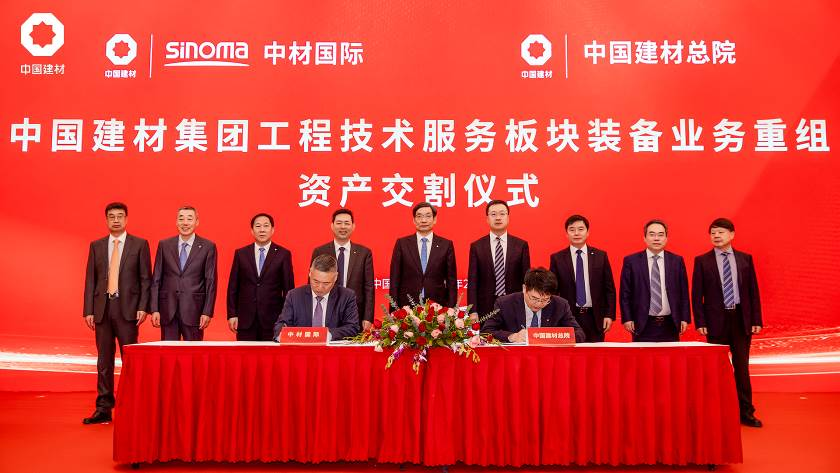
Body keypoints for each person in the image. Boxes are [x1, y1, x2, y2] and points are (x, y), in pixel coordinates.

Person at [82, 202, 151, 424]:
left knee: (130, 360)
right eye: (111, 216)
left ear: (126, 219)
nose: (116, 220)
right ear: (106, 220)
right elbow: (90, 279)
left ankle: (132, 405)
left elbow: (145, 279)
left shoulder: (139, 245)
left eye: (120, 216)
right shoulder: (97, 246)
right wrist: (88, 310)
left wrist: (143, 307)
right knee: (104, 361)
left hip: (128, 309)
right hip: (102, 309)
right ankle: (103, 408)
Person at [692, 218, 764, 427]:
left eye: (721, 232)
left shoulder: (745, 259)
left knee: (741, 368)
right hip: (715, 321)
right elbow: (697, 295)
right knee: (716, 370)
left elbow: (753, 291)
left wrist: (756, 319)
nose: (716, 236)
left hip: (741, 319)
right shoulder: (702, 261)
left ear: (732, 234)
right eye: (713, 232)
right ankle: (717, 413)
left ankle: (746, 412)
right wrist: (700, 321)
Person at [150, 206, 217, 340]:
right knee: (168, 351)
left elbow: (211, 281)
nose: (185, 223)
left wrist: (207, 311)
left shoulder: (208, 247)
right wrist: (154, 309)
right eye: (181, 219)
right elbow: (156, 278)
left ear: (197, 222)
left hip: (194, 310)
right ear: (176, 222)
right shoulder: (164, 245)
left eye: (189, 219)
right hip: (167, 309)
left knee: (193, 351)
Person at [619, 219, 690, 342]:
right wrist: (627, 318)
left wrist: (684, 317)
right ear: (644, 238)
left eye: (660, 235)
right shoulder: (631, 261)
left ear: (666, 238)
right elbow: (625, 293)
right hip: (642, 323)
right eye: (652, 234)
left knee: (671, 355)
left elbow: (684, 292)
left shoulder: (676, 261)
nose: (656, 238)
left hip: (671, 323)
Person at [227, 213, 294, 341]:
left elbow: (288, 289)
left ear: (272, 230)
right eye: (258, 226)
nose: (262, 230)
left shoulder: (283, 254)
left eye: (266, 226)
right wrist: (232, 314)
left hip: (273, 320)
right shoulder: (241, 253)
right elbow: (233, 287)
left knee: (271, 353)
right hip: (245, 319)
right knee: (245, 353)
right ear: (252, 230)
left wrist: (286, 318)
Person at [549, 214, 616, 342]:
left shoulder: (600, 256)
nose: (576, 233)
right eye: (572, 229)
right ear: (566, 233)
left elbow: (609, 289)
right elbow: (553, 291)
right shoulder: (557, 258)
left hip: (595, 317)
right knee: (570, 352)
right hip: (568, 317)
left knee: (595, 353)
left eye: (580, 229)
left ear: (587, 232)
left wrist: (609, 314)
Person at [311, 208, 374, 332]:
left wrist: (368, 317)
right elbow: (312, 283)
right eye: (339, 223)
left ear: (353, 226)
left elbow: (369, 287)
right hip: (326, 309)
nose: (343, 227)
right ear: (332, 226)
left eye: (347, 223)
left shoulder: (364, 253)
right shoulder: (320, 251)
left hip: (354, 311)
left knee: (352, 343)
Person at [484, 267, 585, 343]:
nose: (539, 304)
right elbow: (486, 332)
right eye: (534, 298)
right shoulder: (504, 304)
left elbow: (579, 334)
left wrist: (551, 336)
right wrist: (512, 336)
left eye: (545, 300)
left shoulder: (560, 305)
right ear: (524, 289)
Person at [467, 199, 530, 320]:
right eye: (493, 214)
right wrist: (472, 310)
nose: (498, 218)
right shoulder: (477, 246)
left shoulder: (521, 245)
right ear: (487, 219)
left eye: (502, 213)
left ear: (508, 217)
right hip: (485, 307)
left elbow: (526, 280)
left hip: (514, 304)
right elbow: (473, 281)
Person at [273, 254, 359, 341]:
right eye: (316, 281)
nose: (320, 287)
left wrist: (326, 335)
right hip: (302, 347)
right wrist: (281, 334)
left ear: (335, 277)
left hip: (331, 348)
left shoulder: (346, 296)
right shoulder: (294, 295)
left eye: (326, 283)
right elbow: (282, 324)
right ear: (310, 273)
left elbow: (352, 327)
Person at [389, 202, 457, 307]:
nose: (423, 220)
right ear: (414, 220)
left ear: (435, 219)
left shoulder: (446, 245)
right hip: (407, 306)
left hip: (438, 306)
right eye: (419, 216)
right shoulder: (402, 244)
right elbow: (394, 279)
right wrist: (394, 309)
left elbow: (451, 281)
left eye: (428, 216)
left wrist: (451, 308)